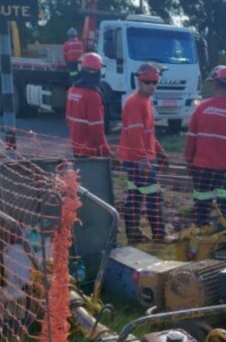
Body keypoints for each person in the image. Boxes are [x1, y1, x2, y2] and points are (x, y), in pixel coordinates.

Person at [185, 65, 226, 230]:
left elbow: (191, 139)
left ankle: (201, 239)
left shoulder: (201, 109)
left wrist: (188, 161)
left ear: (215, 84)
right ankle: (224, 241)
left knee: (202, 206)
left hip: (201, 168)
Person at [119, 63, 170, 244]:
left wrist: (159, 152)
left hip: (140, 158)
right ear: (140, 81)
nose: (152, 86)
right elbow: (135, 133)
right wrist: (142, 159)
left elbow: (148, 133)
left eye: (155, 82)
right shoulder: (134, 103)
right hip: (137, 159)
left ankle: (133, 234)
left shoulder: (146, 102)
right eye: (148, 82)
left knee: (135, 196)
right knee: (154, 195)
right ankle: (159, 236)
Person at [65, 52, 111, 157]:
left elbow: (68, 120)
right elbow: (97, 128)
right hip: (91, 149)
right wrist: (105, 150)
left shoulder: (72, 90)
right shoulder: (93, 95)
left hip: (76, 146)